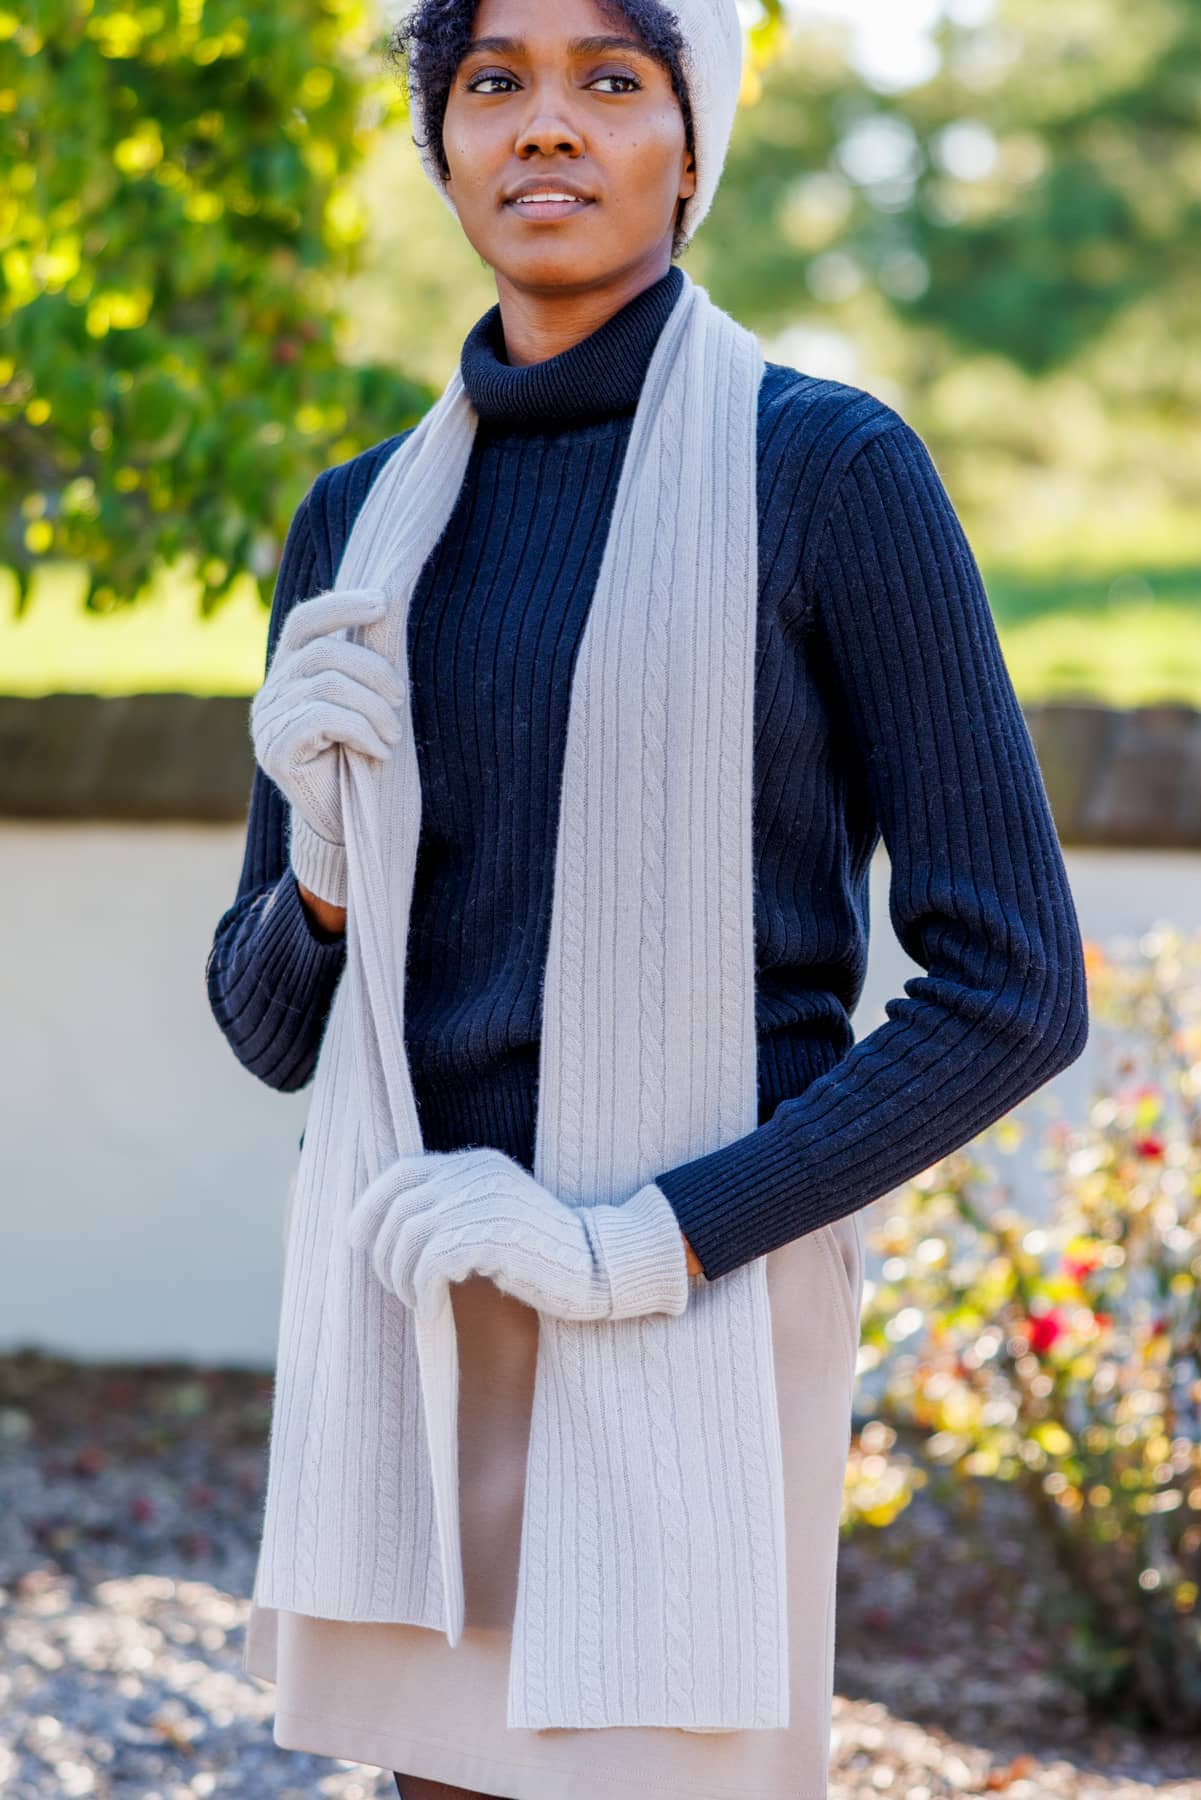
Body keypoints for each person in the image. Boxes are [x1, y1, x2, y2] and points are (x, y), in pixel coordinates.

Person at [205, 0, 1090, 1792]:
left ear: (694, 148)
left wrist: (642, 1243)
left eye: (611, 79)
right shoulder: (358, 523)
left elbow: (1014, 988)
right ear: (441, 145)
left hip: (695, 1293)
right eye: (493, 82)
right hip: (411, 1294)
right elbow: (268, 1025)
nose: (546, 125)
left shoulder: (825, 474)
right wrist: (318, 871)